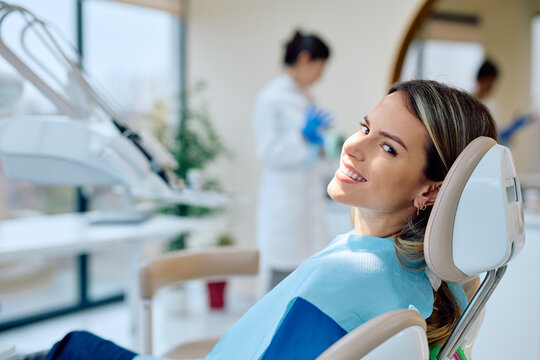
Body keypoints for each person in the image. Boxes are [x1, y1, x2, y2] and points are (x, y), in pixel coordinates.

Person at [39, 79, 497, 360]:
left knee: (73, 346)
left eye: (388, 147)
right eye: (364, 127)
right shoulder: (446, 284)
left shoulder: (345, 279)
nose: (353, 147)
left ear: (432, 189)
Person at [253, 30, 333, 291]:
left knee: (305, 279)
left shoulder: (307, 97)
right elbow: (267, 153)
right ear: (304, 59)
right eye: (320, 67)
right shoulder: (271, 98)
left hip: (307, 202)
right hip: (283, 206)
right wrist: (302, 137)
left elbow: (310, 151)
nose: (321, 76)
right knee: (280, 284)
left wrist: (321, 145)